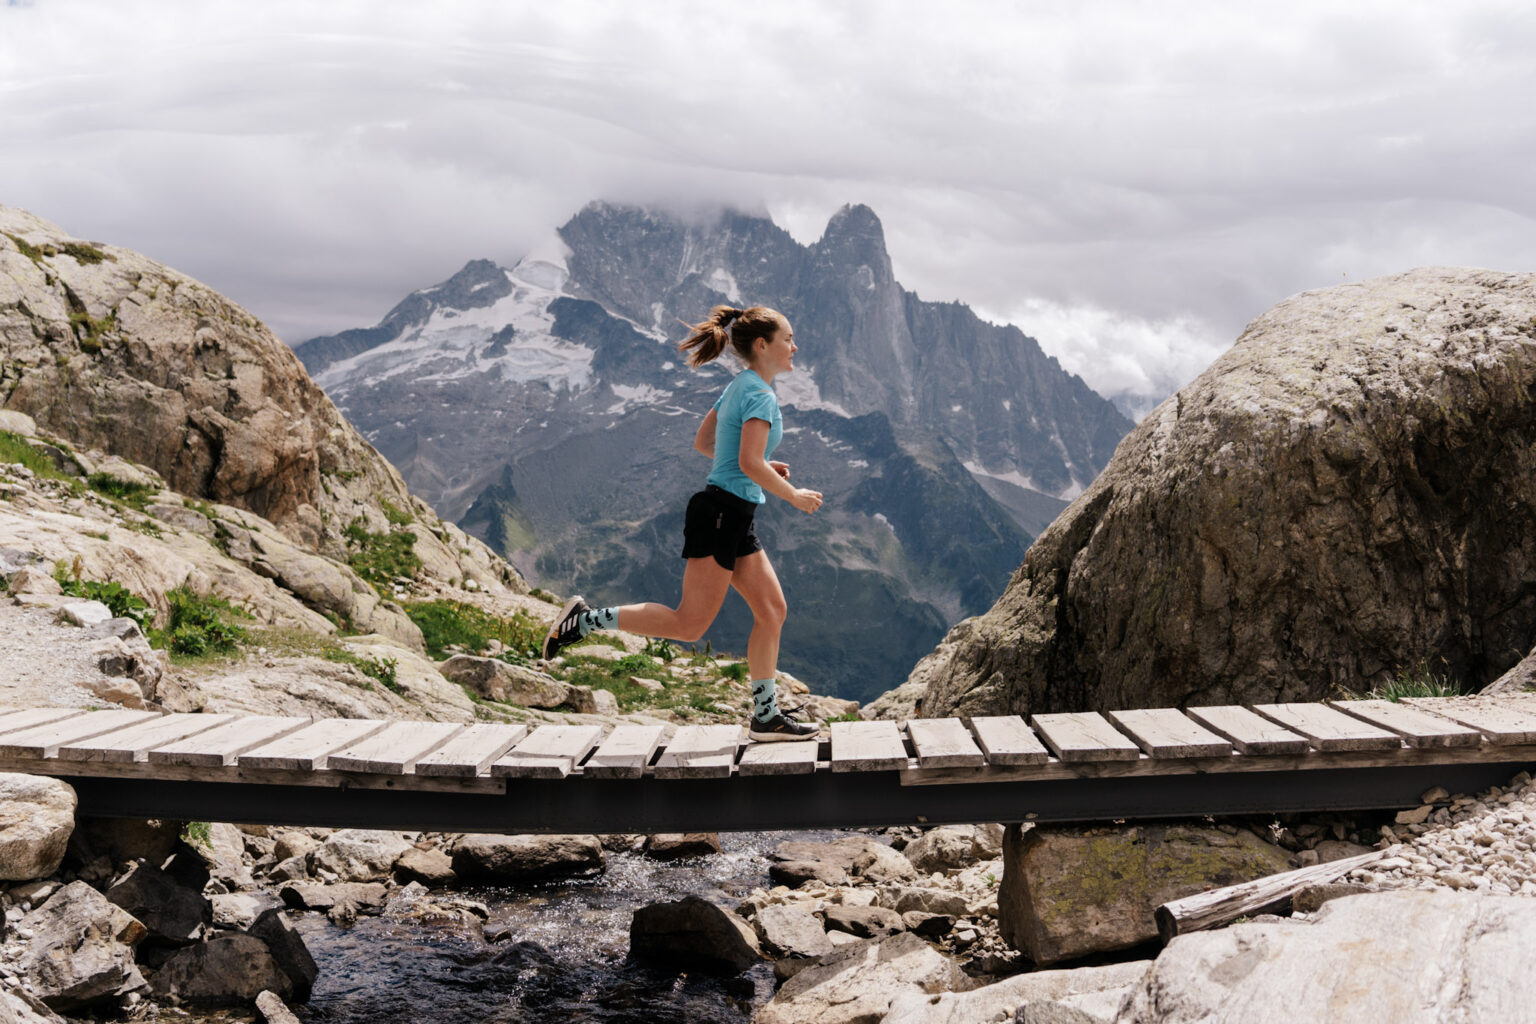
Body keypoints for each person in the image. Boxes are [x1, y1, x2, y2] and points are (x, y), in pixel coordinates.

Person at [541, 305, 823, 741]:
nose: (795, 346)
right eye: (788, 338)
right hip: (722, 515)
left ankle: (765, 717)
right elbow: (747, 461)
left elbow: (705, 442)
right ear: (763, 345)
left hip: (732, 514)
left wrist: (758, 466)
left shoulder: (740, 386)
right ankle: (582, 621)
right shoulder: (760, 395)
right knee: (688, 625)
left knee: (772, 610)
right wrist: (793, 495)